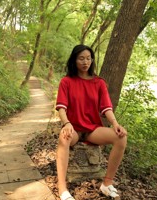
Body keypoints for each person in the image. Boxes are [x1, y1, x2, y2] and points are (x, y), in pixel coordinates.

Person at [55, 44, 127, 200]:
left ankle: (107, 184)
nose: (85, 62)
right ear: (74, 60)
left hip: (92, 130)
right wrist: (67, 123)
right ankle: (62, 189)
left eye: (88, 58)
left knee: (121, 137)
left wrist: (115, 124)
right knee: (64, 137)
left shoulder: (99, 83)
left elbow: (106, 107)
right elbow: (61, 107)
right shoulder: (66, 82)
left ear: (92, 60)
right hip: (73, 129)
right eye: (81, 58)